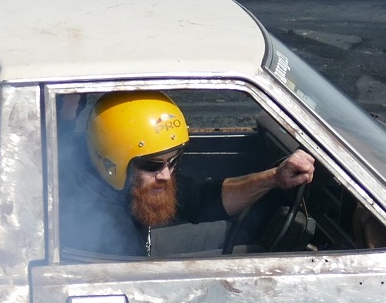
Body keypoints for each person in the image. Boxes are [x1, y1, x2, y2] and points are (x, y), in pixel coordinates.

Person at [63, 90, 317, 258]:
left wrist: (274, 177)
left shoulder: (133, 182)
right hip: (135, 267)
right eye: (153, 165)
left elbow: (202, 201)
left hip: (145, 246)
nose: (166, 175)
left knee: (242, 236)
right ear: (112, 164)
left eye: (174, 161)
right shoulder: (97, 226)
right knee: (257, 257)